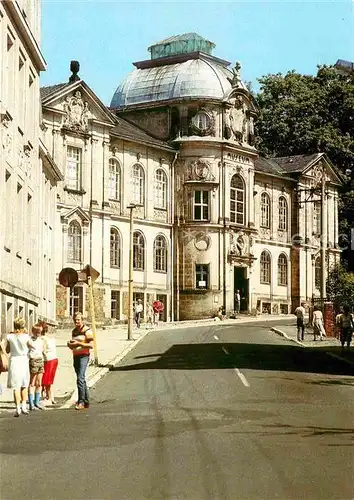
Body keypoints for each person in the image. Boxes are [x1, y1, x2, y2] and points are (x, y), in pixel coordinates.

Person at [67, 312, 93, 410]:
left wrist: (79, 343)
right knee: (81, 378)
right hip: (76, 356)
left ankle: (81, 401)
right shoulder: (74, 331)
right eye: (75, 320)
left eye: (78, 319)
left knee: (80, 378)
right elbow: (74, 344)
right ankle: (86, 401)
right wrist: (70, 345)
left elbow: (90, 345)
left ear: (82, 320)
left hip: (84, 356)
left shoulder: (87, 330)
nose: (76, 321)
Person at [5, 317, 30, 417]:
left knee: (16, 386)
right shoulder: (26, 337)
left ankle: (18, 408)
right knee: (24, 384)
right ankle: (24, 405)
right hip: (23, 360)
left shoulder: (10, 337)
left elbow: (7, 349)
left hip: (14, 360)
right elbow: (30, 346)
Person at [28, 323, 45, 410]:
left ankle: (37, 402)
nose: (39, 334)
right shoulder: (30, 340)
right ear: (33, 331)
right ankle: (31, 403)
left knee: (39, 383)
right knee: (32, 382)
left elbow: (43, 350)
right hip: (34, 361)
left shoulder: (41, 340)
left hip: (40, 360)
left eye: (40, 332)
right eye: (37, 332)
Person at [41, 322, 58, 405]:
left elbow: (43, 351)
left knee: (46, 380)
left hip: (48, 360)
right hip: (54, 359)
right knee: (50, 380)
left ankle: (49, 398)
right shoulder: (50, 338)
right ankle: (51, 397)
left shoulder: (42, 339)